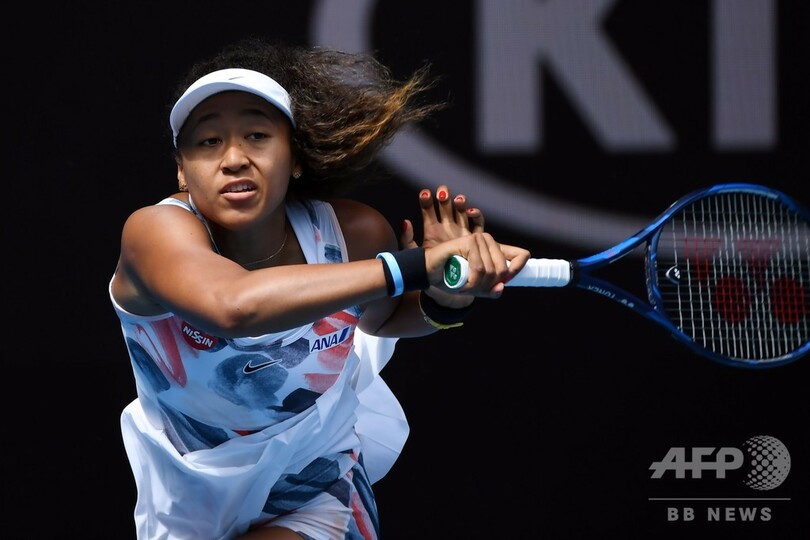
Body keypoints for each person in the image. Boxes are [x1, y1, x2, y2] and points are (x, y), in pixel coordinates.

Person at [109, 36, 530, 540]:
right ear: (182, 169)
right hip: (187, 499)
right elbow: (232, 306)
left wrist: (446, 296)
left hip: (316, 485)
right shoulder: (155, 233)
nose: (234, 158)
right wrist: (415, 265)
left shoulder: (352, 235)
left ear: (295, 157)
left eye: (257, 136)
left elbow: (384, 319)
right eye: (208, 142)